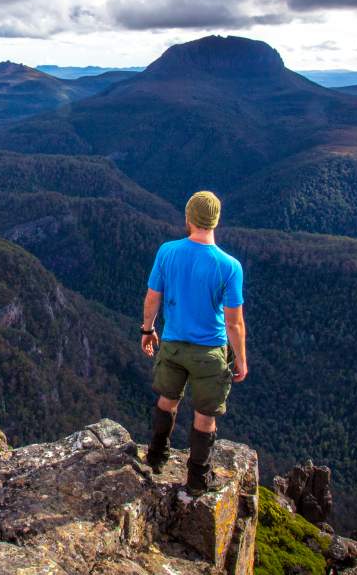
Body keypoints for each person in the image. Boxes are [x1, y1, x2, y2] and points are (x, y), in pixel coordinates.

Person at [141, 190, 247, 494]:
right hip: (210, 352)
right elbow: (234, 322)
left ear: (188, 218)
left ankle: (156, 455)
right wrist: (240, 358)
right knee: (204, 416)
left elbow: (152, 298)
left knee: (166, 401)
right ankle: (198, 478)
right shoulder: (229, 266)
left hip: (173, 345)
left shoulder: (167, 252)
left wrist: (147, 330)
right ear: (215, 221)